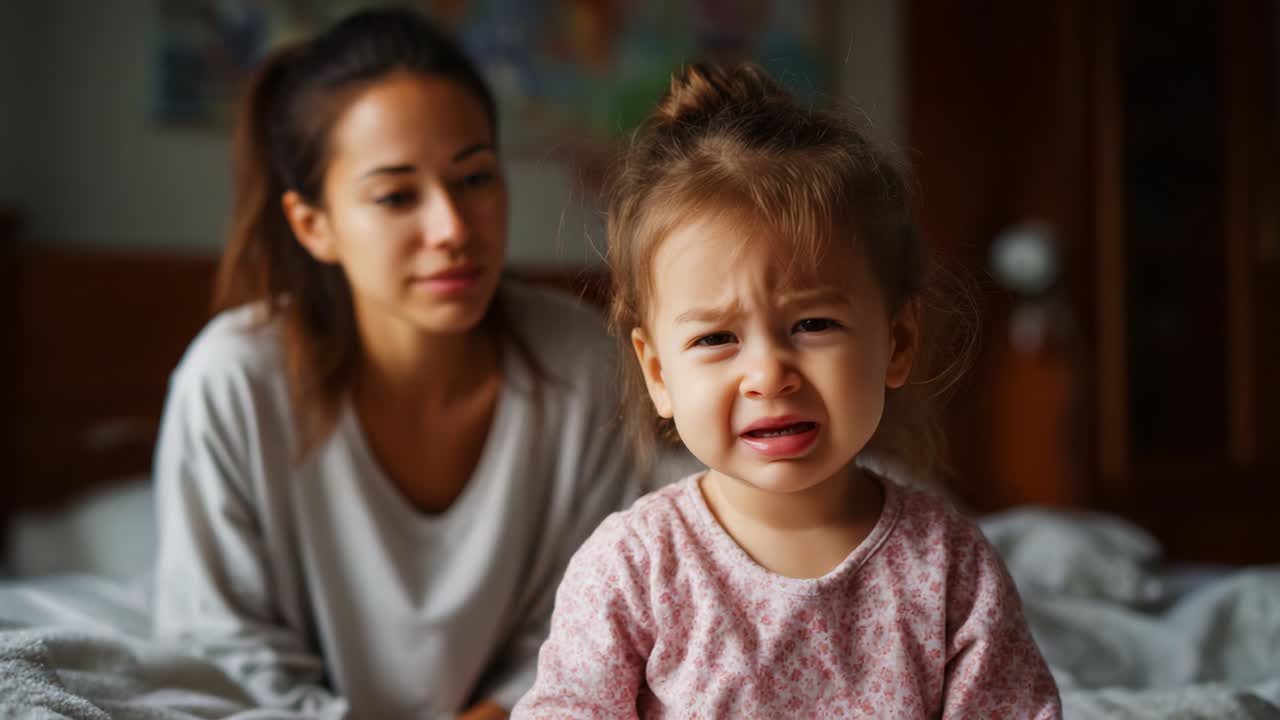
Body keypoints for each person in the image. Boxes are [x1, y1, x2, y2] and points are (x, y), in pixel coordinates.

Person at [513, 63, 1062, 718]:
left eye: (812, 325)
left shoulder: (948, 570)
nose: (770, 374)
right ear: (658, 374)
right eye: (716, 339)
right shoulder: (634, 569)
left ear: (897, 342)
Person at [151, 8, 638, 719]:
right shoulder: (233, 382)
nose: (451, 229)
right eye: (396, 196)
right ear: (313, 225)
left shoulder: (581, 362)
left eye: (474, 179)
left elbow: (591, 616)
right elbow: (219, 650)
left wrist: (499, 711)